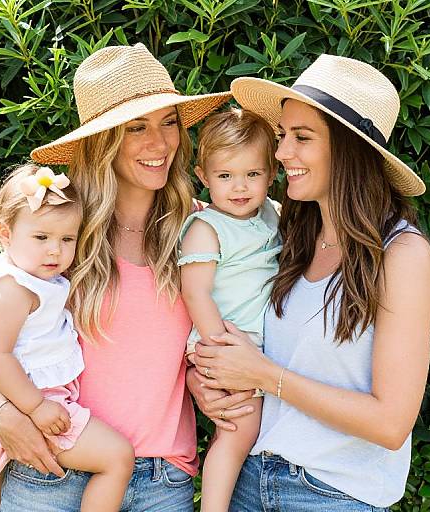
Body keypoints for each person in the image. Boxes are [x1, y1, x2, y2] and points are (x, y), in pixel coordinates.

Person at [0, 42, 231, 512]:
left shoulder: (203, 230)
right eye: (137, 127)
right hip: (54, 469)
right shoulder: (60, 229)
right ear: (103, 140)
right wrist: (2, 412)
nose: (159, 143)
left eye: (169, 122)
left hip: (164, 478)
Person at [189, 54, 430, 511]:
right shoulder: (284, 233)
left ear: (348, 148)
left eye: (301, 138)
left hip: (332, 495)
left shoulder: (401, 255)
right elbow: (232, 321)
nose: (282, 154)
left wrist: (265, 376)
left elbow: (391, 423)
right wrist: (202, 379)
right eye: (283, 136)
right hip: (248, 482)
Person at [0, 163, 135, 512]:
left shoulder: (24, 276)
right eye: (41, 238)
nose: (55, 250)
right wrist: (36, 407)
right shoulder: (13, 290)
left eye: (67, 239)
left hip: (19, 400)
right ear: (6, 233)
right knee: (117, 457)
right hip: (31, 401)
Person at [178, 108, 280, 511]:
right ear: (203, 177)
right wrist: (222, 351)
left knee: (249, 427)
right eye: (225, 176)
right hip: (222, 341)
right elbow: (195, 294)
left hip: (251, 346)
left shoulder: (271, 212)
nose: (239, 187)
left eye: (252, 175)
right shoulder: (207, 228)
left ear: (272, 175)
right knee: (239, 431)